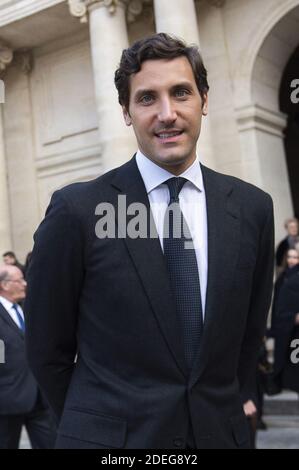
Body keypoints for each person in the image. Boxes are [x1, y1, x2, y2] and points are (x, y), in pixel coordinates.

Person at [25, 33, 274, 449]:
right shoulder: (78, 210)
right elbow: (47, 349)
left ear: (204, 100)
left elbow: (247, 338)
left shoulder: (252, 207)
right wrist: (92, 427)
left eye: (181, 93)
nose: (167, 113)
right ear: (126, 112)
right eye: (146, 99)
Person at [0, 265, 56, 449]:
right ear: (5, 285)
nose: (25, 284)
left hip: (39, 397)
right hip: (8, 401)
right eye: (19, 280)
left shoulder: (27, 307)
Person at [272, 248, 299, 394]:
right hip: (282, 323)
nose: (291, 260)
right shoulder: (283, 277)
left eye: (295, 257)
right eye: (290, 256)